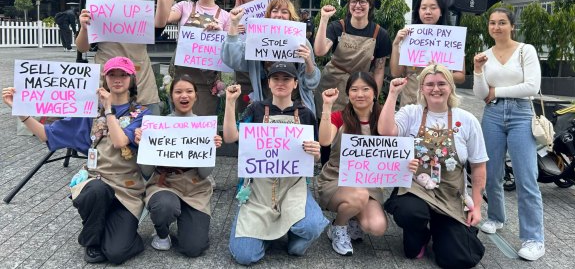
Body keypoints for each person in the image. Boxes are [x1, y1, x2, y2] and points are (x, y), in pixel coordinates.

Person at [2, 56, 150, 264]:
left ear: (132, 79)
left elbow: (119, 141)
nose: (117, 79)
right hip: (97, 182)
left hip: (127, 190)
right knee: (96, 191)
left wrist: (108, 110)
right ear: (105, 78)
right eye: (112, 74)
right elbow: (47, 134)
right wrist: (21, 112)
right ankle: (91, 240)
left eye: (123, 74)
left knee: (116, 253)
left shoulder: (142, 114)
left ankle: (116, 230)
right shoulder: (88, 112)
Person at [379, 64, 487, 268]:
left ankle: (443, 226)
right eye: (429, 84)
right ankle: (420, 232)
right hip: (416, 189)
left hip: (450, 194)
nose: (435, 89)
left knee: (458, 259)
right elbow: (386, 131)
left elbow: (479, 166)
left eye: (441, 84)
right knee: (410, 216)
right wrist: (393, 94)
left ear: (451, 87)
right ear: (421, 88)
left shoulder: (467, 120)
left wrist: (477, 207)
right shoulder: (411, 113)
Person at [222, 62, 328, 265]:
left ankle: (289, 239)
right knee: (245, 255)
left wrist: (315, 154)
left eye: (286, 79)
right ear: (268, 83)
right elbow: (230, 136)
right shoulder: (255, 108)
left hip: (292, 187)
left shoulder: (305, 114)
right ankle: (266, 234)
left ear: (296, 83)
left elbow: (315, 154)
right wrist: (229, 102)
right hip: (259, 190)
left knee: (311, 227)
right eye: (276, 79)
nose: (281, 83)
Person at [317, 72, 418, 256]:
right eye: (354, 90)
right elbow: (324, 140)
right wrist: (327, 106)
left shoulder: (384, 119)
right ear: (348, 94)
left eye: (365, 89)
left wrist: (408, 164)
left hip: (370, 181)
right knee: (359, 196)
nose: (360, 94)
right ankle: (338, 227)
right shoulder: (339, 117)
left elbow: (397, 152)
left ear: (374, 92)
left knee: (377, 227)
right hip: (337, 179)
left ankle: (354, 215)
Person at [473, 8, 545, 261]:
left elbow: (532, 87)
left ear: (512, 26)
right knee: (491, 172)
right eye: (492, 23)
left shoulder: (526, 50)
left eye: (502, 22)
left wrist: (498, 91)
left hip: (521, 113)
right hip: (491, 114)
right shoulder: (485, 55)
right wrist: (478, 70)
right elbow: (481, 94)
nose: (497, 27)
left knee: (526, 176)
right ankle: (495, 217)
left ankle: (534, 238)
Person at [136, 74, 222, 256]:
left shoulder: (204, 127)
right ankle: (162, 233)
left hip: (195, 188)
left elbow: (205, 174)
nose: (184, 96)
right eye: (178, 92)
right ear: (171, 96)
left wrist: (210, 149)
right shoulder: (157, 126)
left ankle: (185, 217)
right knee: (164, 206)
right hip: (164, 184)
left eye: (189, 91)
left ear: (196, 95)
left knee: (193, 248)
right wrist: (143, 145)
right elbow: (146, 172)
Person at [76, 0, 161, 115]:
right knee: (104, 130)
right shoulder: (97, 6)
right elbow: (82, 48)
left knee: (146, 131)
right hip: (107, 76)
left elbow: (160, 23)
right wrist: (83, 27)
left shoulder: (141, 7)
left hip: (139, 75)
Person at [222, 0, 320, 114]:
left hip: (297, 105)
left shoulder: (301, 42)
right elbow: (233, 60)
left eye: (284, 12)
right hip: (265, 103)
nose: (279, 15)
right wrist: (233, 24)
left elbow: (312, 83)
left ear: (291, 16)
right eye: (275, 11)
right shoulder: (257, 40)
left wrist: (308, 61)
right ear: (269, 15)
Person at [153, 0, 229, 116]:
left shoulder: (225, 17)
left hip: (207, 84)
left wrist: (220, 32)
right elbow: (161, 20)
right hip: (181, 81)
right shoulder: (184, 7)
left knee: (202, 130)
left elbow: (229, 52)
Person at [313, 0, 391, 114]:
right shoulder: (337, 27)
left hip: (360, 89)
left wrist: (374, 98)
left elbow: (379, 70)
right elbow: (320, 51)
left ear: (370, 4)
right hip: (332, 85)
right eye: (353, 1)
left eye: (362, 1)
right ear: (349, 4)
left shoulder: (380, 34)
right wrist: (324, 20)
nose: (358, 6)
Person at [390, 0, 465, 106]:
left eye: (433, 8)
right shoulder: (408, 37)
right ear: (418, 11)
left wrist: (439, 70)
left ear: (441, 12)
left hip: (441, 103)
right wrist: (395, 44)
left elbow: (460, 77)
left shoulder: (453, 39)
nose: (428, 12)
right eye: (423, 8)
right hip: (411, 103)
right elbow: (396, 73)